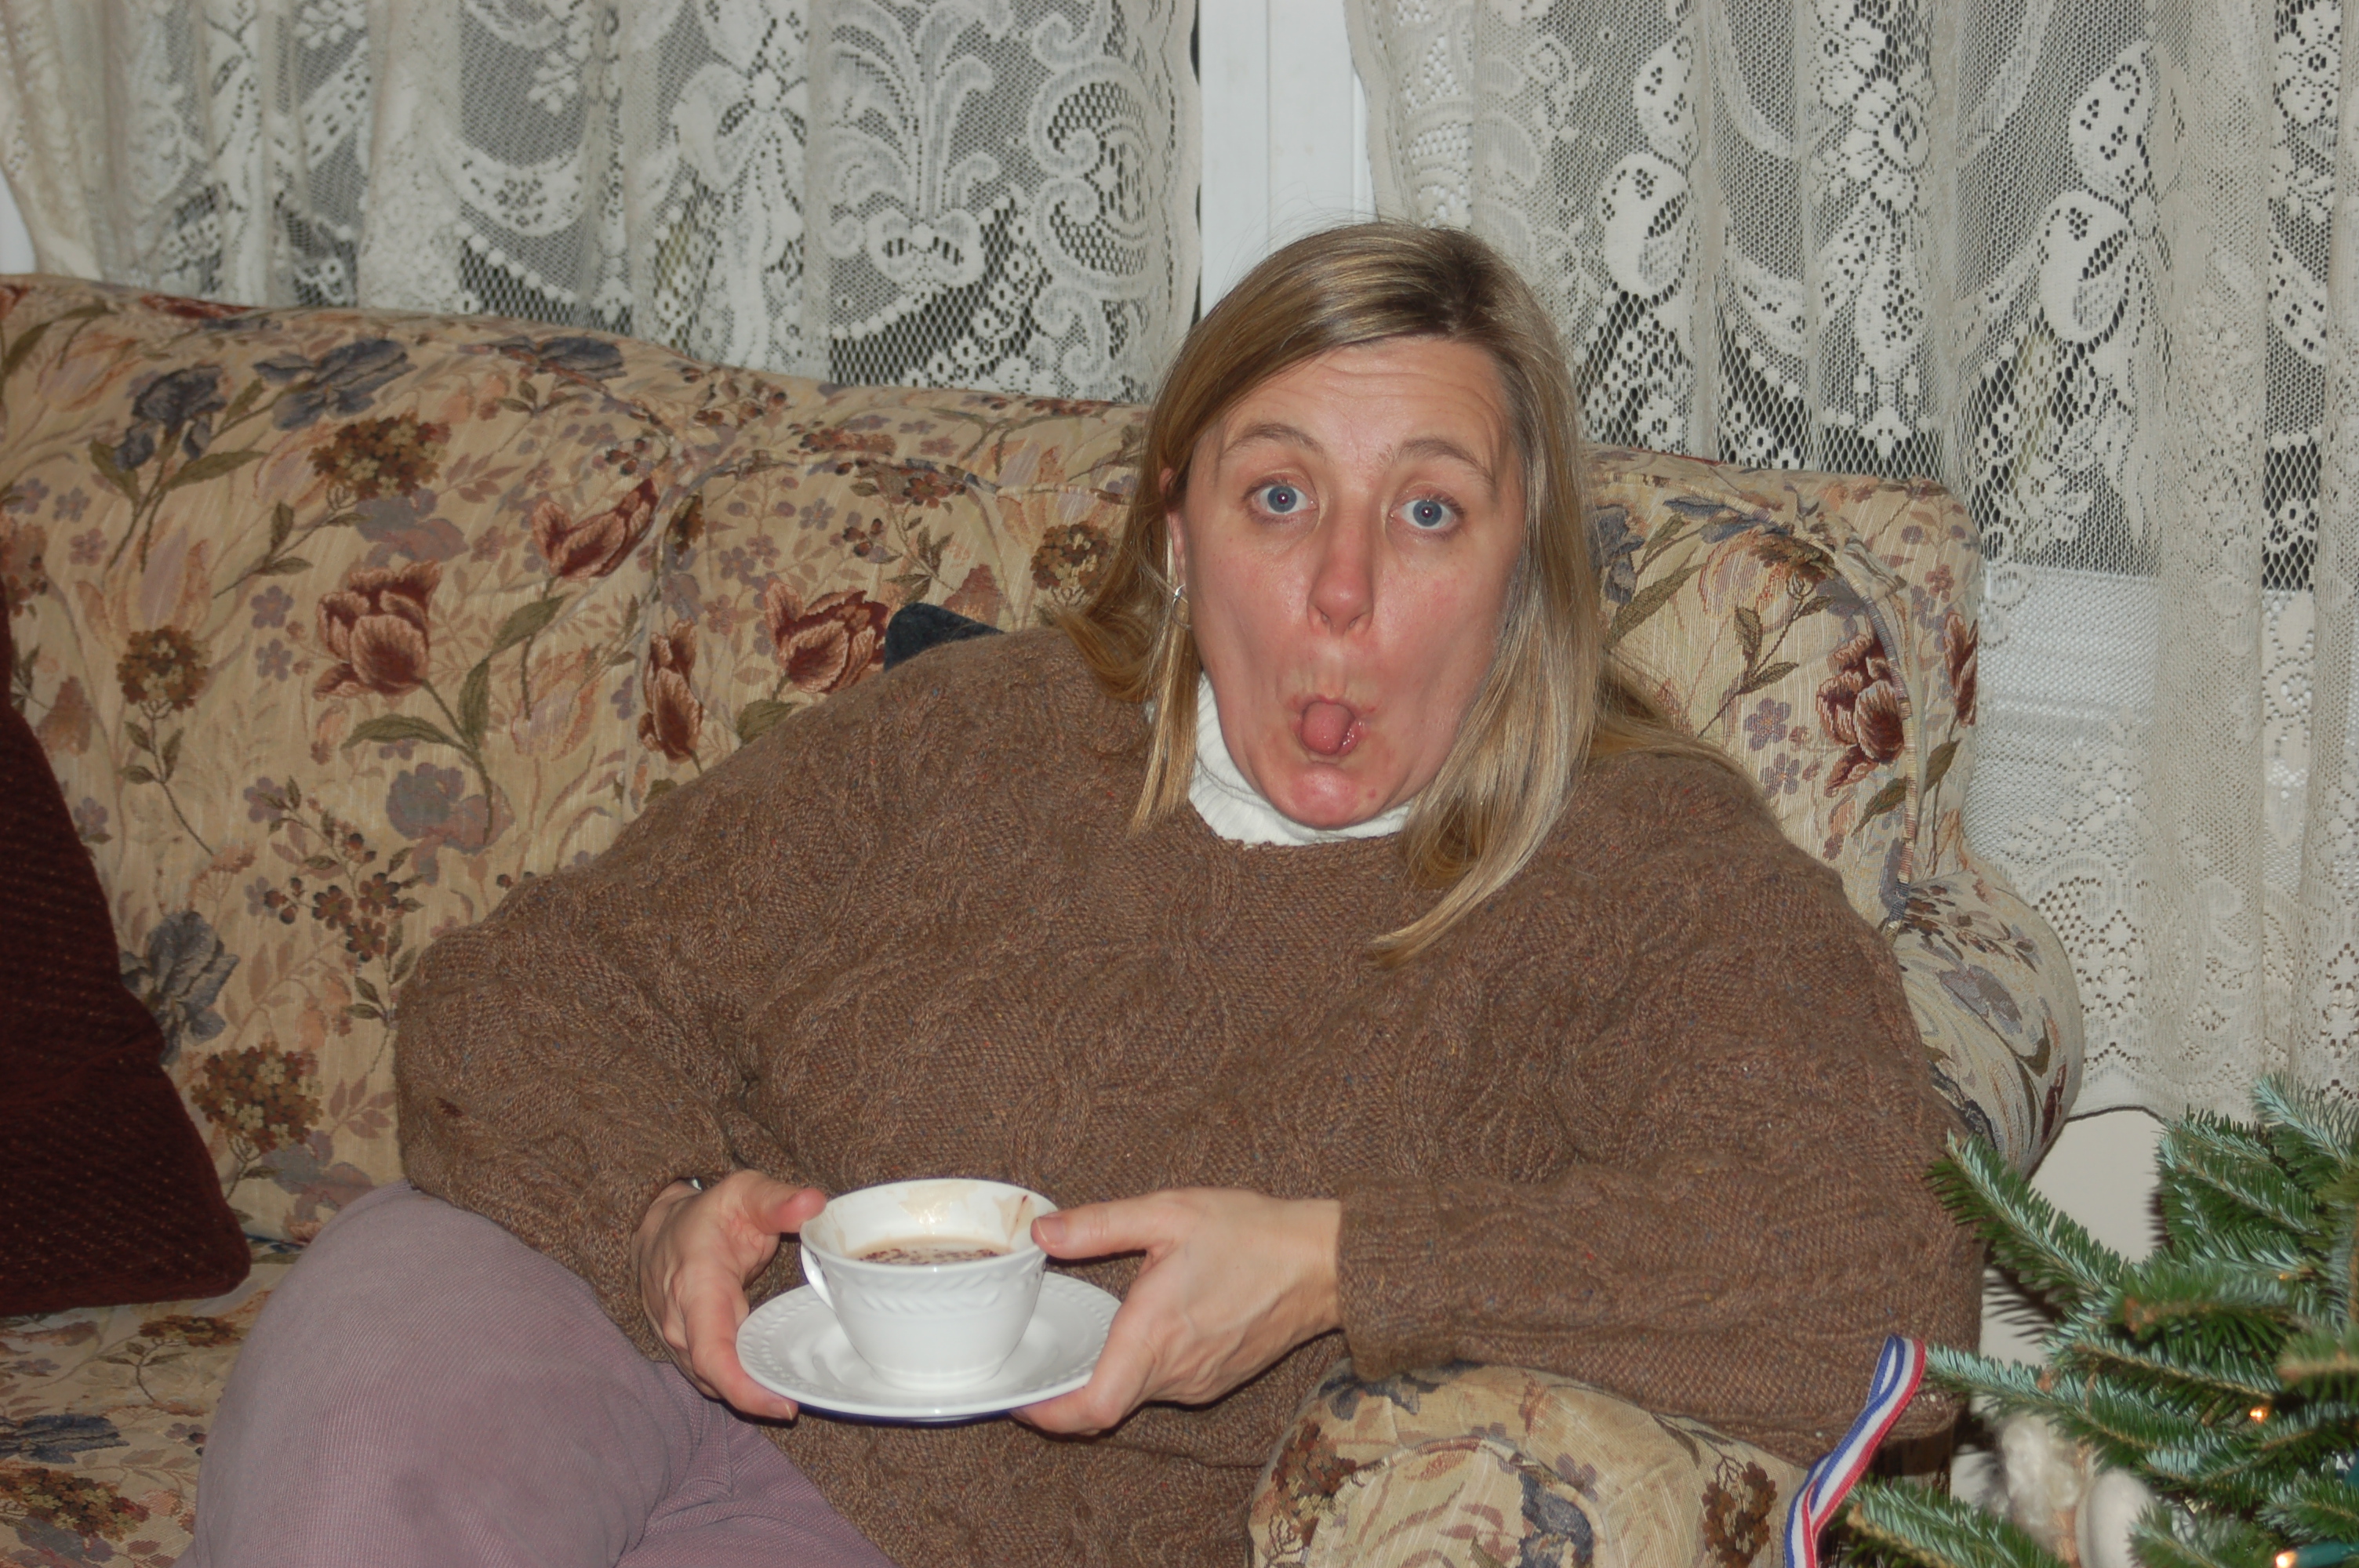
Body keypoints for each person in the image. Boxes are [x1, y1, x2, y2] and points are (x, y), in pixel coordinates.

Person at [186, 222, 1980, 1568]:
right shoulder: (989, 729)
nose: (1343, 589)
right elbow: (527, 987)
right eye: (1279, 498)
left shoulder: (1647, 874)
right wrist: (660, 1216)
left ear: (1528, 572)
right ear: (1180, 537)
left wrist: (1337, 1262)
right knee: (379, 1394)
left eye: (1430, 512)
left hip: (976, 1530)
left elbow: (1887, 1279)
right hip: (618, 1344)